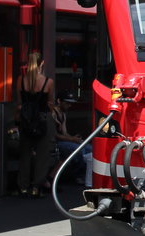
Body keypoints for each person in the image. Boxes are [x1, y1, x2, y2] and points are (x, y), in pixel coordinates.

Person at [15, 51, 55, 197]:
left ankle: (23, 186)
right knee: (42, 155)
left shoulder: (21, 80)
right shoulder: (48, 82)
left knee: (25, 153)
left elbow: (19, 103)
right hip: (42, 119)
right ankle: (36, 187)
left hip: (26, 120)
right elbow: (50, 103)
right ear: (41, 63)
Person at [50, 95, 92, 187]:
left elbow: (64, 132)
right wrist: (72, 139)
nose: (69, 105)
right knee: (79, 150)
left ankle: (85, 174)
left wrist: (74, 138)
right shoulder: (53, 113)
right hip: (55, 142)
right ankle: (77, 174)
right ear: (59, 101)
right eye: (67, 103)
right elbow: (54, 135)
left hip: (64, 140)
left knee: (89, 148)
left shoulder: (63, 114)